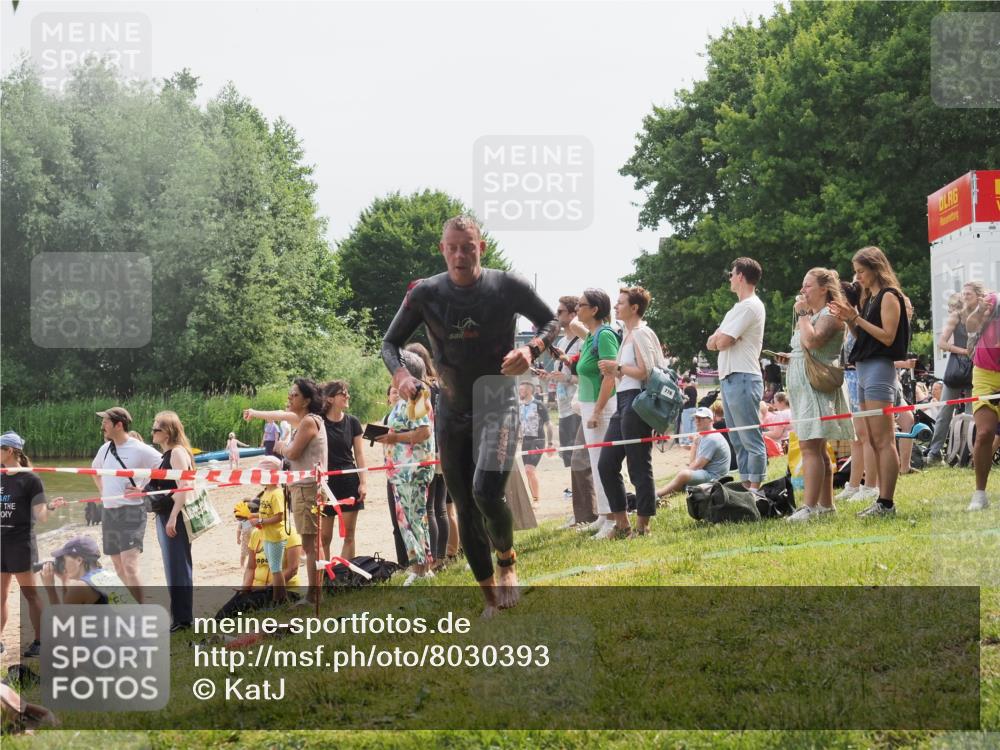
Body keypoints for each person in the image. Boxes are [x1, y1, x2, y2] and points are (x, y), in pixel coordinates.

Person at [381, 214, 559, 617]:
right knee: (463, 502)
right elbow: (390, 342)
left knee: (485, 492)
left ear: (481, 247)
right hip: (452, 408)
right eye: (453, 247)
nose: (460, 254)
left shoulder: (507, 286)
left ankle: (508, 562)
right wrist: (401, 374)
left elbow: (551, 322)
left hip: (498, 400)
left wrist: (532, 350)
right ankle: (490, 599)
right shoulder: (425, 293)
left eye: (468, 246)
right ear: (443, 250)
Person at [829, 246, 909, 517]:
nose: (857, 276)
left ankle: (886, 502)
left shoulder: (889, 296)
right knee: (873, 439)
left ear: (876, 268)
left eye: (861, 271)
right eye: (856, 271)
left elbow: (887, 337)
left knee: (884, 439)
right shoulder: (870, 298)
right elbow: (862, 335)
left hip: (878, 369)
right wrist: (850, 320)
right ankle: (881, 500)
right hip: (863, 368)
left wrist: (856, 319)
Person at [775, 269, 855, 522]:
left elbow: (813, 342)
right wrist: (790, 358)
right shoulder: (812, 315)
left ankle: (808, 507)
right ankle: (826, 505)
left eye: (807, 286)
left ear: (824, 288)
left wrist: (801, 314)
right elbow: (805, 347)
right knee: (818, 447)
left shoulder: (831, 314)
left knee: (811, 446)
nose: (803, 291)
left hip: (816, 388)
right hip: (803, 385)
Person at [244, 378, 327, 603]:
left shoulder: (309, 421)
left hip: (307, 489)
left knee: (310, 545)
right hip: (304, 488)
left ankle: (314, 595)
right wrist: (255, 412)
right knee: (311, 544)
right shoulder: (304, 418)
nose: (289, 398)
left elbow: (293, 453)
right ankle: (316, 592)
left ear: (307, 400)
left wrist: (281, 446)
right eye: (290, 394)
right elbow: (278, 414)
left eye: (295, 395)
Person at [597, 286, 665, 537]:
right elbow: (628, 370)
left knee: (638, 465)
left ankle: (643, 525)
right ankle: (622, 523)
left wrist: (619, 367)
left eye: (620, 303)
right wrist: (615, 370)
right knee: (606, 463)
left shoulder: (640, 333)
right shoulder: (626, 334)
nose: (616, 306)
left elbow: (647, 371)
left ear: (634, 308)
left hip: (637, 401)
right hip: (623, 400)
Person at [0, 432, 65, 658]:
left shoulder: (31, 479)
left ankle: (40, 641)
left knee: (30, 594)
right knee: (1, 596)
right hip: (1, 543)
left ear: (9, 451)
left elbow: (42, 516)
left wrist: (52, 506)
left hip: (21, 543)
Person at [707, 258, 768, 493]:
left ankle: (755, 487)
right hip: (731, 377)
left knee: (750, 437)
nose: (730, 278)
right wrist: (719, 339)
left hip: (743, 376)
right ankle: (745, 484)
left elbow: (722, 340)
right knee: (737, 439)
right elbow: (713, 341)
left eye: (732, 274)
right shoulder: (737, 308)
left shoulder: (750, 306)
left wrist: (720, 339)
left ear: (741, 276)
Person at [376, 351, 436, 585]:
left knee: (413, 518)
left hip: (412, 469)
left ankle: (420, 567)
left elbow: (424, 431)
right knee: (409, 519)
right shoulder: (402, 399)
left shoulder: (417, 395)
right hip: (400, 469)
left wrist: (394, 439)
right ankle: (421, 565)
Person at [91, 407, 162, 603]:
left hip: (132, 512)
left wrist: (145, 489)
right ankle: (130, 605)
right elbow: (94, 471)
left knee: (129, 565)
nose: (102, 425)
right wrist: (103, 492)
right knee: (118, 566)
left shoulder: (139, 448)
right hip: (109, 512)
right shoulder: (104, 449)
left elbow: (164, 468)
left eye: (105, 422)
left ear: (118, 424)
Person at [569, 288, 620, 539]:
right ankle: (603, 514)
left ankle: (612, 517)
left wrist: (597, 411)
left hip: (603, 407)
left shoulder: (606, 335)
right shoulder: (591, 336)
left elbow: (610, 377)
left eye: (581, 305)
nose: (577, 309)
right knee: (595, 462)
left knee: (603, 464)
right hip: (590, 405)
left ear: (595, 309)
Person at [544, 295, 597, 528]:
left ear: (573, 314)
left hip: (580, 406)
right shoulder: (564, 342)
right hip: (566, 409)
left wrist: (565, 376)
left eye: (560, 312)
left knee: (584, 461)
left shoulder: (583, 340)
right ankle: (581, 512)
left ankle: (590, 513)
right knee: (575, 463)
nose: (557, 316)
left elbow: (584, 374)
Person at [147, 411, 195, 631]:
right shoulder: (167, 455)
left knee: (178, 568)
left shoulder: (176, 453)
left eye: (157, 428)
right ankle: (179, 616)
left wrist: (173, 517)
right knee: (173, 567)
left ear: (168, 432)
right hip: (166, 515)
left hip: (174, 515)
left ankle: (183, 619)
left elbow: (183, 487)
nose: (152, 432)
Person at [405, 342, 451, 566]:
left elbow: (419, 422)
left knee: (429, 507)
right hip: (442, 448)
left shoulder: (419, 389)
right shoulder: (438, 386)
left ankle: (431, 559)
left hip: (427, 451)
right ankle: (441, 557)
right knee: (440, 506)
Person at [836, 279, 880, 504]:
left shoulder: (858, 318)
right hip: (850, 379)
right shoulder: (845, 321)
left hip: (860, 378)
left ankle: (871, 484)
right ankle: (854, 484)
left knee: (867, 436)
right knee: (856, 437)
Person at [928, 285, 980, 465]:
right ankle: (935, 453)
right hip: (958, 370)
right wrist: (965, 351)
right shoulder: (955, 318)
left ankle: (967, 453)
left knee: (972, 413)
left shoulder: (982, 317)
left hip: (976, 370)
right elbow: (941, 343)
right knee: (945, 411)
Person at [320, 380, 367, 561]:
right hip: (325, 483)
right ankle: (324, 579)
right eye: (343, 393)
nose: (347, 396)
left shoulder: (353, 422)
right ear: (330, 399)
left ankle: (346, 578)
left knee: (348, 534)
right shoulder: (318, 421)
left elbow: (360, 455)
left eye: (347, 392)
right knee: (324, 537)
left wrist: (363, 483)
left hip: (349, 480)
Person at [963, 285, 1000, 510]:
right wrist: (978, 311)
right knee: (985, 432)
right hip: (985, 371)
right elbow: (971, 326)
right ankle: (980, 494)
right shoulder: (993, 300)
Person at [656, 407, 733, 497]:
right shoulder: (704, 436)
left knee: (683, 474)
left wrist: (683, 475)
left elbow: (697, 466)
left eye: (701, 418)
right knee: (684, 475)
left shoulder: (711, 438)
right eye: (696, 418)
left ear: (710, 420)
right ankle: (671, 491)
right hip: (709, 474)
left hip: (715, 478)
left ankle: (658, 494)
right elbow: (693, 463)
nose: (697, 421)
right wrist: (695, 443)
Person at [39, 536, 134, 606]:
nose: (62, 563)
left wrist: (50, 588)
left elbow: (62, 624)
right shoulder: (109, 574)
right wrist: (64, 580)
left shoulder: (79, 587)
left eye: (63, 559)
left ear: (79, 560)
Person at [249, 456, 290, 603]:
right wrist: (251, 516)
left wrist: (260, 520)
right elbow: (266, 513)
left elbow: (279, 517)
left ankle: (279, 599)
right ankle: (280, 598)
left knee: (276, 570)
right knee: (275, 569)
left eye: (261, 474)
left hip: (276, 536)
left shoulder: (277, 493)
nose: (259, 477)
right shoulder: (266, 492)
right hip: (267, 535)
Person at [517, 380, 551, 504]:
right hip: (525, 441)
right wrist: (518, 437)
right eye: (519, 390)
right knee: (528, 472)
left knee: (529, 470)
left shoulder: (538, 404)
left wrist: (550, 443)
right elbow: (518, 424)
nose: (520, 392)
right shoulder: (519, 406)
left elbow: (549, 424)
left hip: (538, 440)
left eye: (522, 390)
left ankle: (536, 500)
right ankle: (534, 498)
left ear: (529, 391)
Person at [710, 400, 739, 472]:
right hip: (738, 461)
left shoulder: (715, 426)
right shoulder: (733, 422)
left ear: (714, 413)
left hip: (727, 463)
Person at [678, 376, 699, 447]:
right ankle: (692, 441)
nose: (683, 385)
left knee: (686, 427)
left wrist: (681, 403)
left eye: (683, 384)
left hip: (687, 409)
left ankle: (686, 441)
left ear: (685, 382)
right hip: (694, 409)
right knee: (693, 427)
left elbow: (686, 399)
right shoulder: (694, 389)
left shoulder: (687, 389)